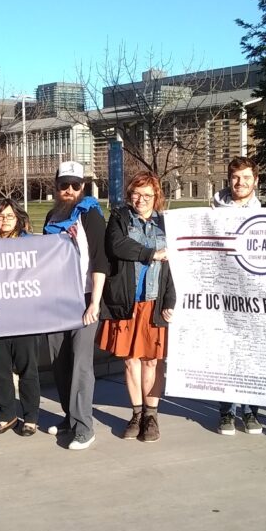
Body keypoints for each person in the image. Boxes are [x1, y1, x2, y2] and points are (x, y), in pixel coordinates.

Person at [99, 171, 175, 443]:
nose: (140, 199)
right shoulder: (119, 218)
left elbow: (175, 266)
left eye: (147, 195)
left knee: (152, 361)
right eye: (136, 194)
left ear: (157, 197)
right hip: (127, 300)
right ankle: (136, 413)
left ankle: (151, 416)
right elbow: (116, 246)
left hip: (154, 301)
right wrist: (150, 254)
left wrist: (170, 300)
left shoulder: (166, 224)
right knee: (130, 362)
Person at [44, 160, 108, 450]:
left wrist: (94, 302)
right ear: (56, 187)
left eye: (75, 185)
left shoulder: (90, 214)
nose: (69, 190)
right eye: (63, 185)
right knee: (60, 361)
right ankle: (70, 418)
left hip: (84, 297)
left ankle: (85, 427)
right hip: (57, 298)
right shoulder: (51, 215)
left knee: (81, 364)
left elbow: (100, 260)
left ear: (83, 187)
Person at [211, 156, 265, 436]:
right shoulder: (213, 212)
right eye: (235, 177)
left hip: (255, 297)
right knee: (226, 354)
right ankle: (226, 413)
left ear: (255, 180)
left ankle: (252, 412)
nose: (240, 182)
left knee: (252, 355)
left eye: (246, 177)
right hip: (223, 296)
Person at [0, 198, 41, 436]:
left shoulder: (31, 244)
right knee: (1, 371)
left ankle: (31, 417)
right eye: (0, 215)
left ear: (18, 218)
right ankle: (6, 415)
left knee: (28, 369)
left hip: (25, 317)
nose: (4, 220)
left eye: (9, 216)